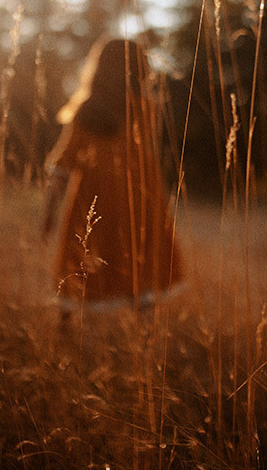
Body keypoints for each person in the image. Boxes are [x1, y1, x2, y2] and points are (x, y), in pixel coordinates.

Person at [41, 37, 184, 310]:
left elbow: (61, 167)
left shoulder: (85, 111)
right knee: (141, 267)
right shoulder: (147, 108)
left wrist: (49, 211)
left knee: (80, 266)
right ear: (141, 69)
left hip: (93, 202)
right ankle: (144, 343)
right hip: (141, 200)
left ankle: (66, 330)